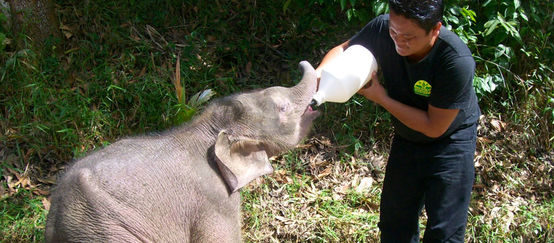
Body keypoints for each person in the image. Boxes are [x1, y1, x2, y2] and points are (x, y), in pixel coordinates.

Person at [315, 0, 480, 242]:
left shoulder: (454, 60)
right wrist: (319, 75)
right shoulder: (383, 29)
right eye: (394, 32)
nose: (398, 41)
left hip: (450, 142)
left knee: (445, 233)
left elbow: (434, 126)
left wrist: (381, 97)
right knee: (395, 224)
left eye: (409, 37)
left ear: (435, 29)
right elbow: (343, 50)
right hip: (407, 137)